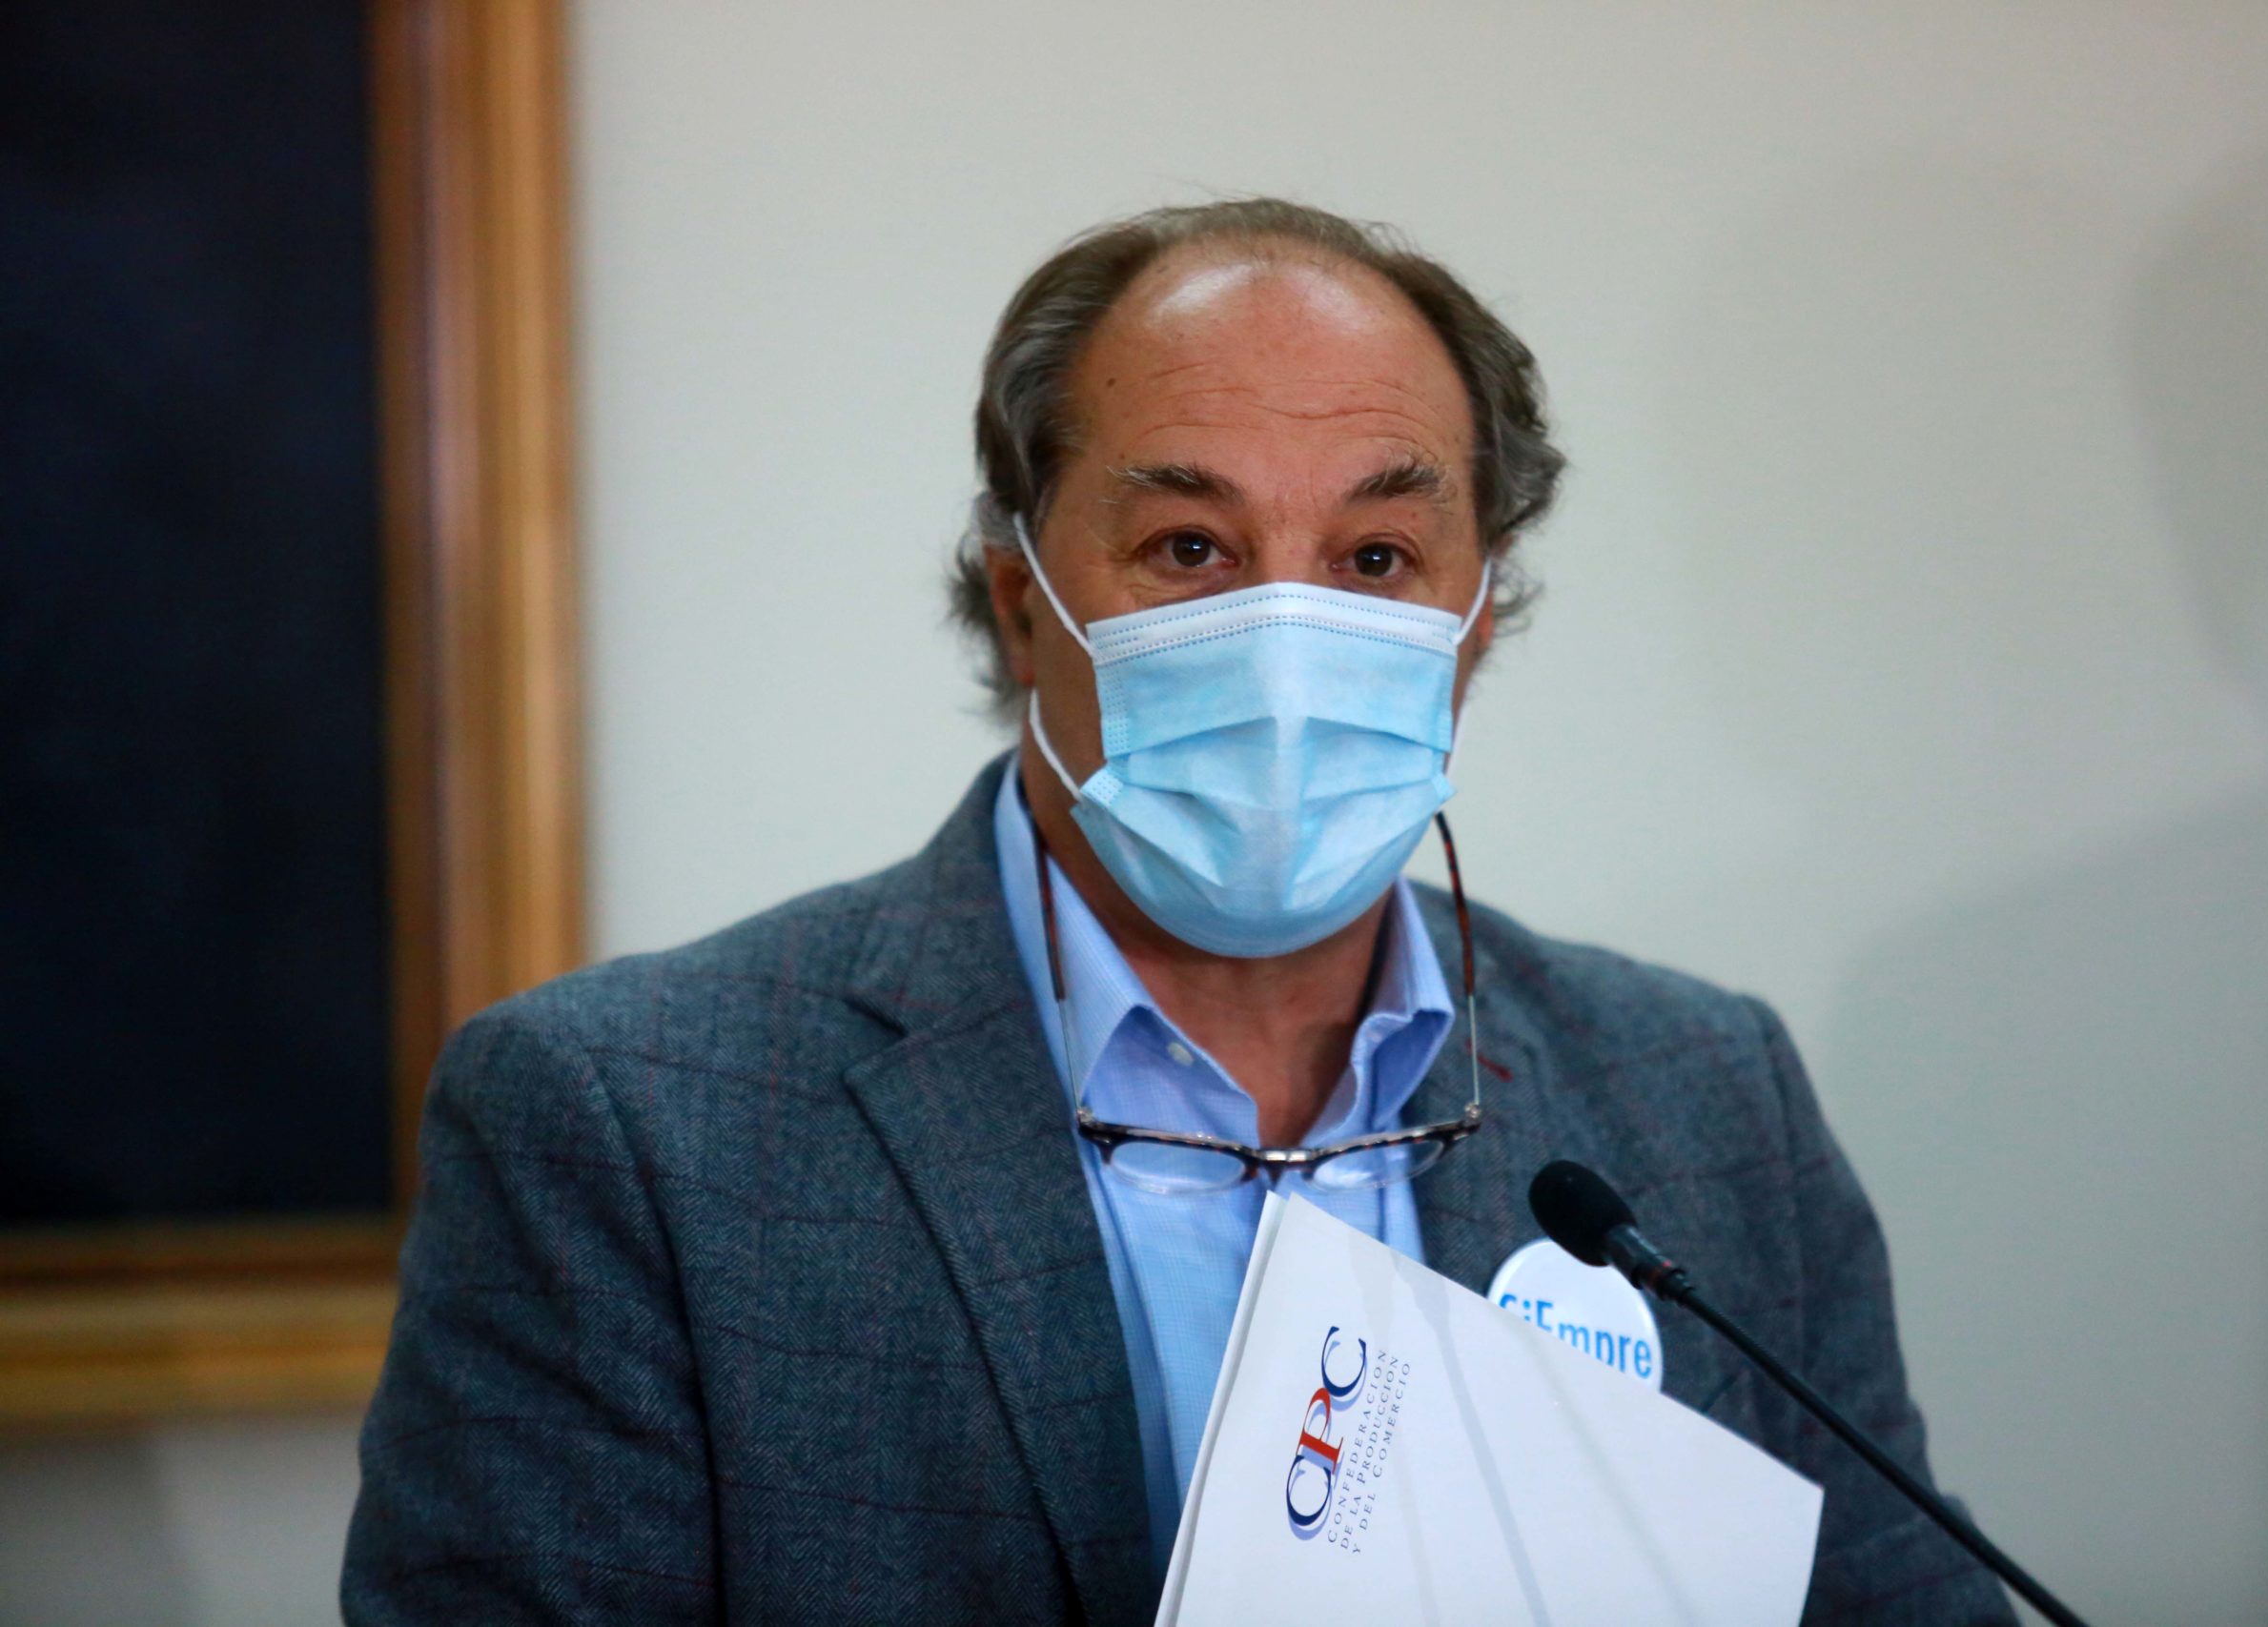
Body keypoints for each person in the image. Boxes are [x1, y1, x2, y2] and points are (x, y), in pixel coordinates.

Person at [342, 198, 2009, 1624]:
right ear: (1022, 598)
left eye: (1376, 558)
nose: (1288, 634)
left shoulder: (1707, 1095)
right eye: (1192, 546)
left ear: (1477, 617)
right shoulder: (625, 1124)